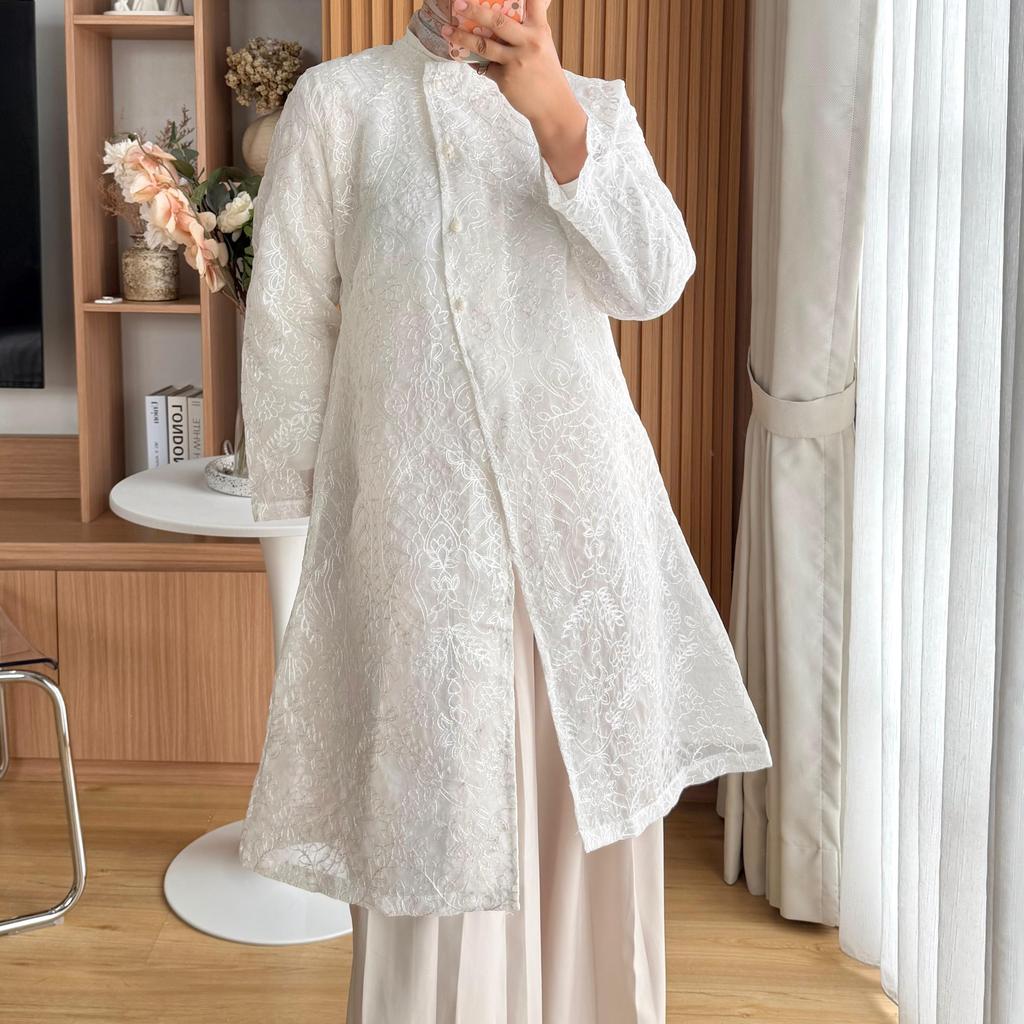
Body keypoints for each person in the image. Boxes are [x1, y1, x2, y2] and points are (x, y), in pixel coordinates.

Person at [238, 1, 772, 1020]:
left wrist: (555, 116)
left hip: (581, 544)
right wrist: (310, 518)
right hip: (419, 541)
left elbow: (653, 282)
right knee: (433, 823)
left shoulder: (591, 107)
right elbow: (290, 318)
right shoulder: (340, 105)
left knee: (586, 815)